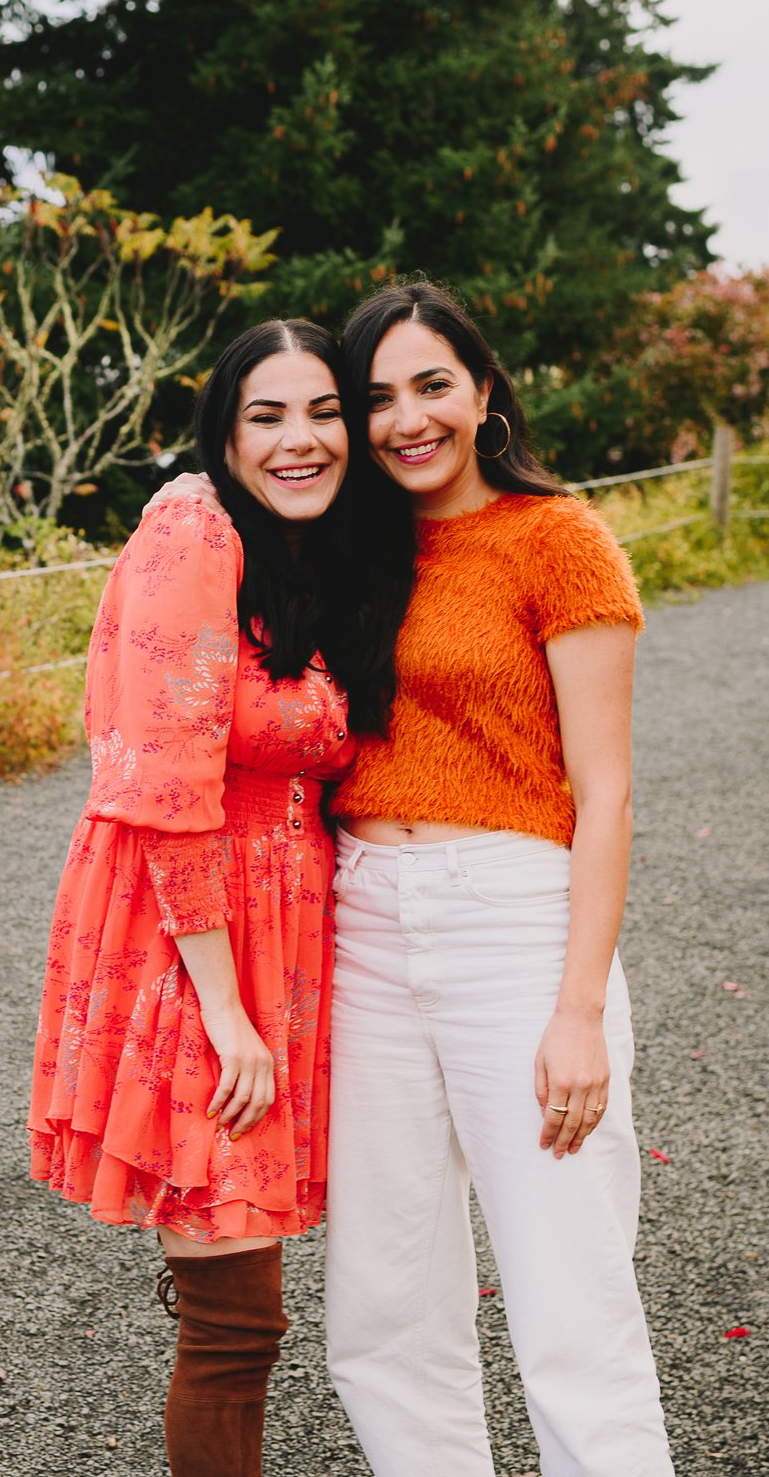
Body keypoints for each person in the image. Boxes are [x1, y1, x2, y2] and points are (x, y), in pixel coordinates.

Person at [157, 280, 674, 1475]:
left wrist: (579, 1011)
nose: (404, 420)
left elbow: (607, 793)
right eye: (375, 396)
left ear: (482, 391)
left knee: (569, 1303)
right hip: (363, 933)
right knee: (385, 1313)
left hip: (513, 924)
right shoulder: (343, 549)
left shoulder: (561, 540)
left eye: (431, 385)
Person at [27, 318, 408, 1477]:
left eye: (323, 412)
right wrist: (225, 1008)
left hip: (283, 932)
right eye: (267, 415)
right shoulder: (192, 530)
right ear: (223, 432)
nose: (300, 440)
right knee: (236, 1323)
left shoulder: (307, 553)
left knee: (242, 1311)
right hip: (192, 940)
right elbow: (163, 787)